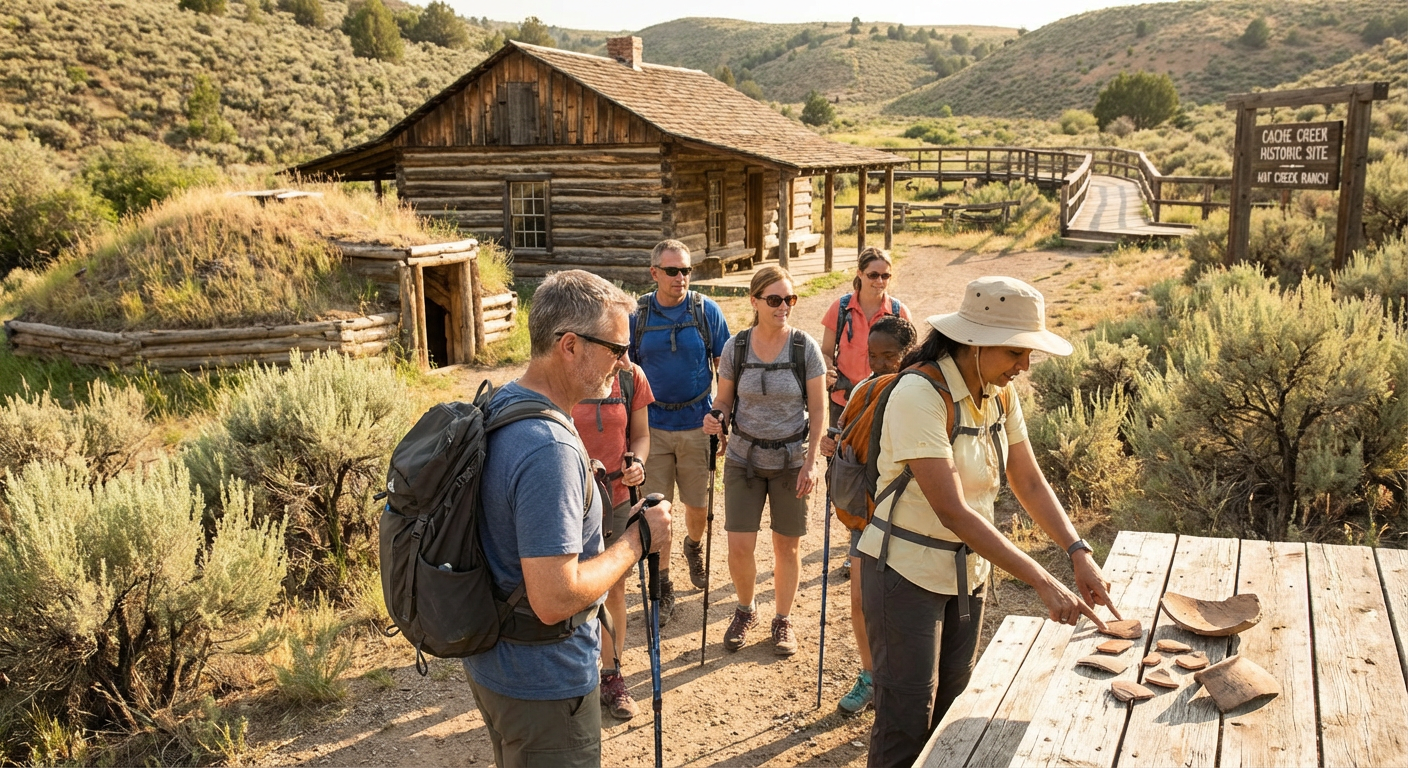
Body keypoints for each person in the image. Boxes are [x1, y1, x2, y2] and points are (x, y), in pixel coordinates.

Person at [855, 276, 1120, 767]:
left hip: (967, 576)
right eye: (1016, 352)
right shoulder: (919, 394)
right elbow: (952, 510)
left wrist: (1077, 551)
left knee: (951, 713)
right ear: (974, 341)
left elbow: (1030, 481)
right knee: (905, 722)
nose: (1025, 366)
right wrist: (1044, 581)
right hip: (904, 574)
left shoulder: (999, 393)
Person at [465, 270, 672, 768]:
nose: (625, 362)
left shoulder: (503, 403)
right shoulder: (549, 446)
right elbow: (555, 598)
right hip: (545, 684)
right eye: (616, 349)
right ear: (571, 346)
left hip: (497, 667)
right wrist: (637, 540)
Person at [703, 265, 826, 656]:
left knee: (785, 547)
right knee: (739, 545)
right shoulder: (737, 347)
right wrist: (717, 416)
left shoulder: (804, 347)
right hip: (744, 457)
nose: (784, 306)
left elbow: (820, 410)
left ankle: (782, 619)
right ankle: (746, 608)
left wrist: (812, 462)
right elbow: (723, 399)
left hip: (792, 460)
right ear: (754, 301)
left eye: (789, 299)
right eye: (774, 299)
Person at [817, 314, 918, 714]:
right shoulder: (862, 390)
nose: (879, 363)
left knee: (904, 604)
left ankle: (904, 679)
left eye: (889, 356)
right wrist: (832, 445)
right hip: (866, 511)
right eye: (872, 355)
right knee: (861, 600)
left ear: (908, 355)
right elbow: (846, 436)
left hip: (911, 514)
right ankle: (870, 674)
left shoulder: (921, 395)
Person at [630, 239, 730, 625]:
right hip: (652, 428)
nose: (681, 277)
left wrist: (722, 419)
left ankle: (693, 545)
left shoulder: (705, 311)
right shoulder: (637, 316)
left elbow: (726, 367)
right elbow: (627, 375)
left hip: (696, 424)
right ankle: (664, 585)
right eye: (672, 270)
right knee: (658, 511)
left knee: (698, 508)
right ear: (654, 273)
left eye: (686, 270)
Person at [570, 361, 653, 721]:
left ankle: (611, 674)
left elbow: (642, 436)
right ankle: (573, 678)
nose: (623, 353)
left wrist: (640, 464)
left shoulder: (630, 376)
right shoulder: (567, 371)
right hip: (570, 497)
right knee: (569, 586)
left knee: (614, 587)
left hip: (617, 494)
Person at [821, 247, 912, 427]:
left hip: (883, 399)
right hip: (843, 400)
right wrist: (827, 370)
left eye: (885, 276)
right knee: (838, 452)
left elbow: (909, 359)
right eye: (873, 275)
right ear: (860, 273)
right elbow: (825, 353)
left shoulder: (899, 312)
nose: (879, 281)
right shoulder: (840, 308)